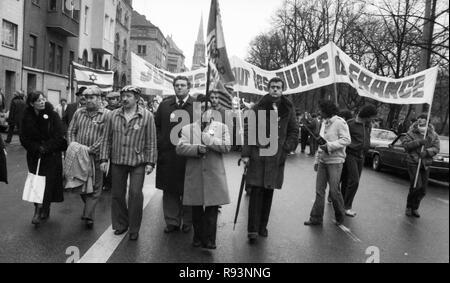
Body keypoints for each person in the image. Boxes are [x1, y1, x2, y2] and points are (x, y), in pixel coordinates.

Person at [241, 77, 299, 242]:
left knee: (268, 191)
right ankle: (252, 230)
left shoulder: (288, 108)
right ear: (268, 88)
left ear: (282, 89)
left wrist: (287, 147)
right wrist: (246, 154)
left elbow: (294, 130)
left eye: (278, 87)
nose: (275, 89)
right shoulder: (258, 107)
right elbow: (248, 130)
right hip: (258, 155)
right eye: (272, 87)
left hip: (277, 156)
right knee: (256, 191)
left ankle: (262, 226)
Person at [100, 85, 157, 241]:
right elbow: (106, 139)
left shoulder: (147, 116)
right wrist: (104, 159)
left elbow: (151, 141)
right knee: (117, 194)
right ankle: (120, 224)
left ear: (137, 98)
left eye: (129, 96)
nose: (124, 99)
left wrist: (151, 162)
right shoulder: (112, 115)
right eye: (123, 95)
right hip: (118, 160)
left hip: (137, 161)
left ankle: (134, 228)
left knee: (135, 194)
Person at [176, 94, 231, 250]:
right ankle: (198, 237)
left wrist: (207, 138)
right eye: (201, 108)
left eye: (208, 108)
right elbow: (180, 148)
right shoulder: (187, 128)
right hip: (195, 175)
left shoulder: (222, 128)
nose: (205, 111)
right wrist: (196, 149)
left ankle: (210, 239)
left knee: (212, 210)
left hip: (214, 175)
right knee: (197, 209)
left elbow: (227, 147)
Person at [20, 91, 67, 226]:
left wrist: (46, 147)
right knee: (36, 183)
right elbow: (24, 137)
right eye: (38, 100)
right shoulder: (26, 116)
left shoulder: (52, 114)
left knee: (47, 184)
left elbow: (59, 135)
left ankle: (43, 209)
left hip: (51, 155)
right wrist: (35, 148)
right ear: (31, 103)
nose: (42, 102)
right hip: (35, 155)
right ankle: (37, 209)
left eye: (43, 99)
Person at [155, 76, 195, 234]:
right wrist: (161, 142)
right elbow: (156, 125)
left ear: (188, 87)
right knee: (169, 190)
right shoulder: (164, 105)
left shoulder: (197, 106)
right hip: (168, 155)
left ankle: (187, 221)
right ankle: (172, 221)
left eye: (183, 85)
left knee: (188, 189)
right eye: (177, 85)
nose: (179, 88)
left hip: (189, 156)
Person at [66, 87, 110, 229]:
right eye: (86, 97)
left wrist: (91, 149)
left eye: (92, 97)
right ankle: (89, 209)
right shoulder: (79, 113)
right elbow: (71, 131)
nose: (88, 100)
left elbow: (106, 137)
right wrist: (73, 146)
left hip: (97, 156)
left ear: (99, 98)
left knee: (96, 187)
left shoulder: (107, 115)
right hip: (79, 156)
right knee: (80, 184)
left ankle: (88, 215)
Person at [304, 100, 350, 227]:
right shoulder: (324, 123)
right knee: (319, 191)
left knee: (334, 191)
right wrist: (317, 160)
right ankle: (316, 218)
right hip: (323, 161)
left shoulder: (340, 123)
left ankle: (340, 215)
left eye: (321, 109)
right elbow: (321, 142)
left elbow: (346, 140)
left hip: (335, 162)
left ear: (327, 110)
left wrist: (329, 146)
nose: (319, 112)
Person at [340, 105, 378, 217]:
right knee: (354, 181)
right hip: (350, 154)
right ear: (366, 115)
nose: (373, 120)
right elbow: (343, 138)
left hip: (362, 156)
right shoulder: (350, 124)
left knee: (347, 180)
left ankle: (340, 201)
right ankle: (347, 207)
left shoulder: (368, 125)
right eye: (372, 117)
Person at [402, 114, 440, 218]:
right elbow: (406, 146)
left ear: (428, 121)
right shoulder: (411, 132)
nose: (420, 120)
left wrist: (427, 152)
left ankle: (415, 207)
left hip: (426, 163)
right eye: (419, 118)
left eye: (423, 118)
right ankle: (409, 207)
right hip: (413, 161)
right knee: (416, 185)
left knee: (423, 189)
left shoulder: (433, 134)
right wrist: (418, 142)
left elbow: (436, 148)